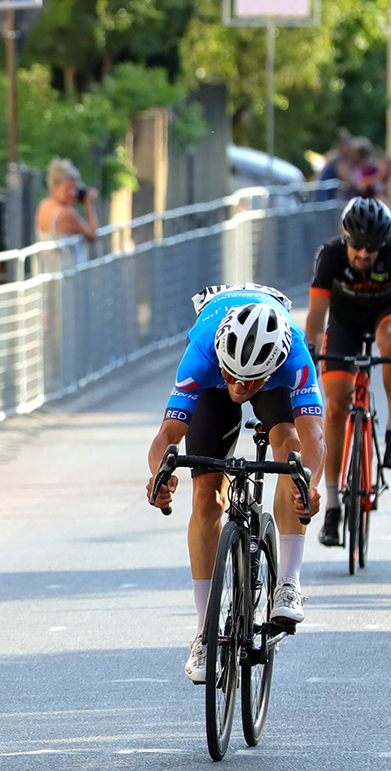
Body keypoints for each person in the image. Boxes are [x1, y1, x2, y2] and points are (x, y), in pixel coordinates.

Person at [146, 285, 325, 684]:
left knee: (291, 452)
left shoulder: (292, 354)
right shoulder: (205, 351)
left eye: (249, 382)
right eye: (233, 377)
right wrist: (161, 475)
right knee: (207, 499)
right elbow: (166, 436)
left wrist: (308, 486)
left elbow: (314, 438)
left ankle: (289, 583)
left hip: (274, 382)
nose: (240, 388)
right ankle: (205, 634)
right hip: (214, 377)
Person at [304, 198, 391, 547]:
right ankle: (332, 505)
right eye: (357, 246)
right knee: (337, 404)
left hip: (383, 316)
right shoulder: (330, 256)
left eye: (372, 249)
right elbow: (316, 317)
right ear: (345, 239)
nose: (363, 255)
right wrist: (311, 357)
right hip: (344, 323)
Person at [35, 158, 99, 264]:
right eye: (68, 188)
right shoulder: (66, 214)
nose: (73, 193)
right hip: (67, 274)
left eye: (75, 187)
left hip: (49, 271)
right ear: (54, 189)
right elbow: (92, 235)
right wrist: (89, 206)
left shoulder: (44, 205)